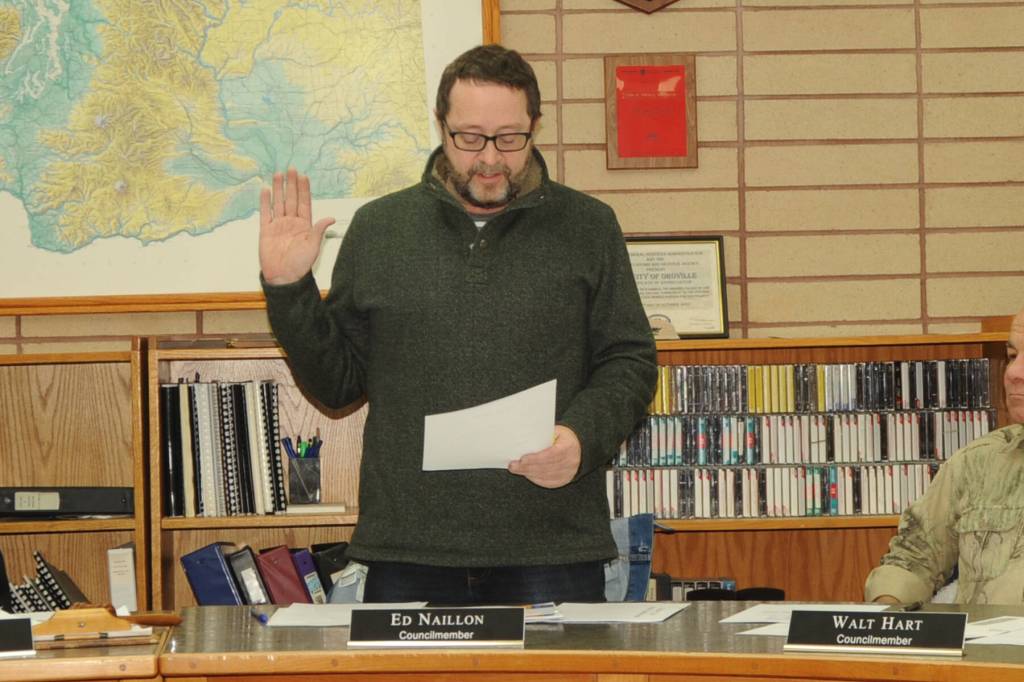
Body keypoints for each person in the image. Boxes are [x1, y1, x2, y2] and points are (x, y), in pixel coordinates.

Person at [259, 44, 657, 604]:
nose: (489, 158)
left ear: (535, 128)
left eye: (509, 138)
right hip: (408, 548)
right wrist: (288, 289)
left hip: (553, 547)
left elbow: (630, 359)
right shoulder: (379, 229)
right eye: (469, 137)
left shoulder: (588, 226)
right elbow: (337, 385)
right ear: (441, 126)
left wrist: (581, 438)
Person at [864, 308, 1024, 604]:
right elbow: (915, 557)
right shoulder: (978, 462)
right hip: (983, 649)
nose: (1013, 373)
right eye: (1012, 356)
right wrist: (888, 614)